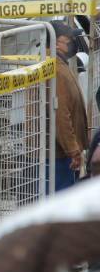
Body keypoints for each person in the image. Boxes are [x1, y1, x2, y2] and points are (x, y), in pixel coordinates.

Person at [49, 21, 89, 192]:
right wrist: (73, 150)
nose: (73, 43)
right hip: (58, 156)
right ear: (57, 42)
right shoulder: (54, 69)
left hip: (59, 154)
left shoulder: (59, 65)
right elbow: (61, 114)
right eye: (69, 39)